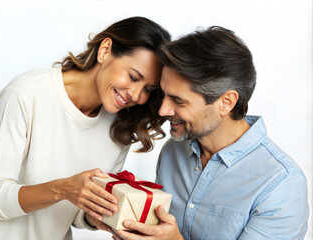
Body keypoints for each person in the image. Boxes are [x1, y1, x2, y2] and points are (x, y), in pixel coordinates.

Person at [0, 16, 170, 239]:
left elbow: (74, 210)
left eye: (148, 89)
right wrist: (63, 189)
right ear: (105, 50)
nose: (136, 95)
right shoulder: (26, 95)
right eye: (133, 77)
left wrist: (96, 216)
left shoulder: (121, 128)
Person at [111, 26, 309, 240]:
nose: (163, 110)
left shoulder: (281, 185)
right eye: (164, 95)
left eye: (178, 101)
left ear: (226, 103)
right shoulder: (173, 151)